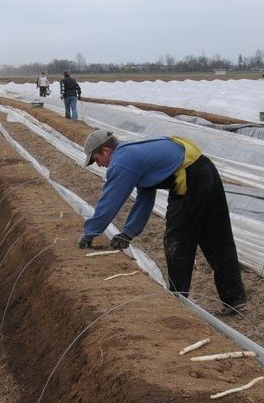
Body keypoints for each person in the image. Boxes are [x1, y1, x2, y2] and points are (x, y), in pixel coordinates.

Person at [77, 130, 248, 315]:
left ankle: (178, 300)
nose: (99, 165)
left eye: (96, 159)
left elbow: (110, 201)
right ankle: (234, 298)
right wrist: (129, 232)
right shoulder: (133, 153)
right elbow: (146, 195)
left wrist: (90, 232)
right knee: (216, 235)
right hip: (205, 169)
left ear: (105, 150)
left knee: (178, 239)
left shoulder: (122, 161)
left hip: (190, 177)